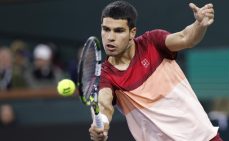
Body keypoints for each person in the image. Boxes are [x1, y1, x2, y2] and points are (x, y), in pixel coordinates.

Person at [89, 1, 220, 141]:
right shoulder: (106, 75)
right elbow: (104, 105)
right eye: (106, 29)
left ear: (132, 32)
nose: (110, 37)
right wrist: (101, 125)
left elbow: (186, 38)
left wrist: (199, 24)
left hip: (202, 137)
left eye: (118, 31)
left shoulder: (152, 42)